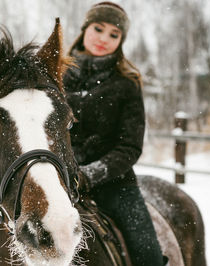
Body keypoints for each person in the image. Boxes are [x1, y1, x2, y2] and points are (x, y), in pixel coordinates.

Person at [63, 2, 165, 266]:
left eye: (114, 34)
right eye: (98, 28)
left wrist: (91, 173)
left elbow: (130, 147)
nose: (103, 39)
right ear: (85, 28)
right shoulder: (55, 76)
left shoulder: (127, 83)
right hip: (59, 181)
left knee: (148, 254)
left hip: (114, 185)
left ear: (121, 41)